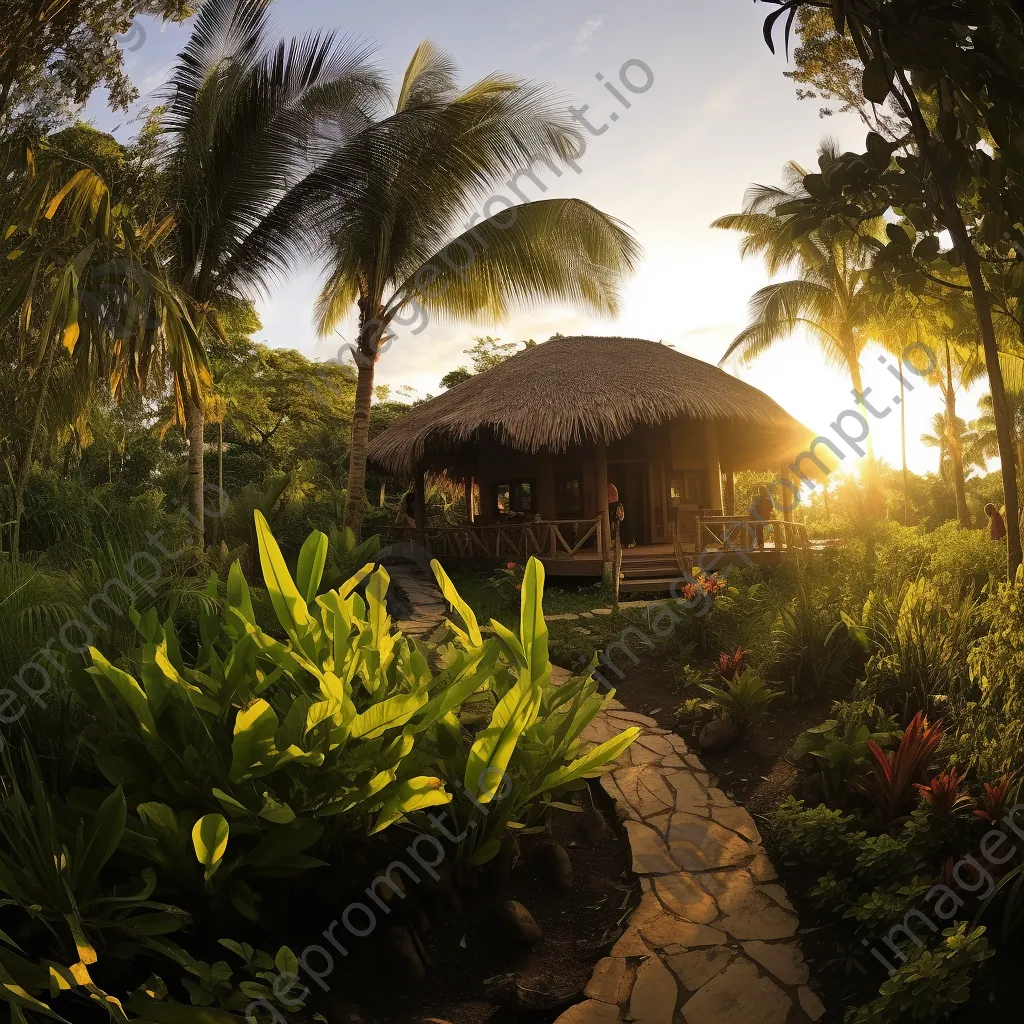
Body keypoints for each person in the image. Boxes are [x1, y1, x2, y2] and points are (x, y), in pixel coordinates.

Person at [752, 485, 774, 549]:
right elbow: (771, 508)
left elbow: (754, 508)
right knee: (760, 528)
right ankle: (775, 540)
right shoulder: (768, 500)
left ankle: (760, 544)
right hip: (767, 518)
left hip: (759, 519)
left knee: (758, 529)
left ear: (759, 492)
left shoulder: (756, 499)